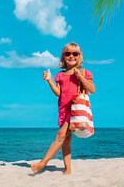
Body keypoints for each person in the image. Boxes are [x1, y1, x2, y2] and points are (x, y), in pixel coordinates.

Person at [30, 42, 96, 175]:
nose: (71, 56)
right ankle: (68, 170)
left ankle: (42, 163)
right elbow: (59, 93)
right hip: (63, 110)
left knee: (60, 135)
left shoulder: (85, 72)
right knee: (66, 141)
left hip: (76, 110)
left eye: (75, 53)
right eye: (68, 54)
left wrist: (80, 76)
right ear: (63, 57)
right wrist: (49, 80)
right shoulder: (60, 75)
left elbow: (92, 90)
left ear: (80, 56)